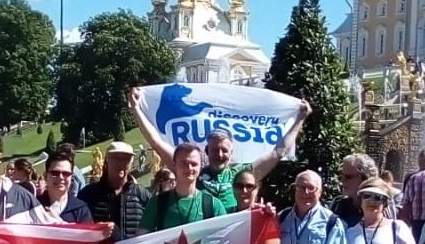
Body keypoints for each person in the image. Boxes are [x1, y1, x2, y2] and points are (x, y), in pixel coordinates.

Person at [128, 87, 312, 211]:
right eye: (215, 150)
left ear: (232, 152)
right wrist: (136, 108)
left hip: (233, 236)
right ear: (206, 151)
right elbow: (157, 144)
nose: (220, 154)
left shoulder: (243, 174)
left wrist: (300, 119)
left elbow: (278, 152)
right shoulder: (193, 170)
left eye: (224, 150)